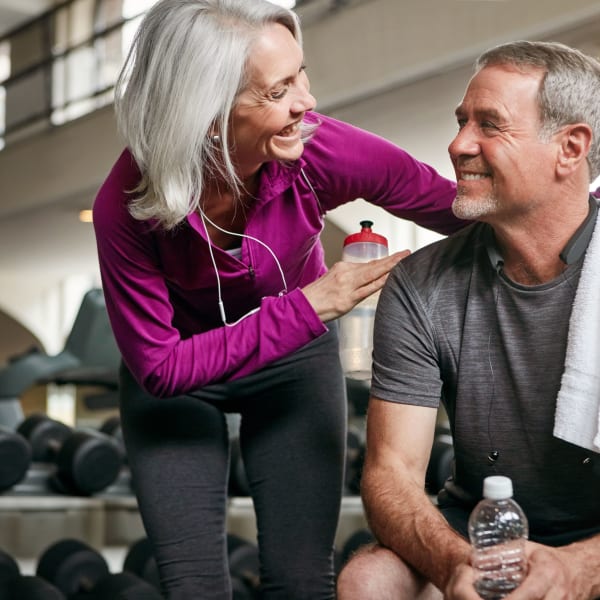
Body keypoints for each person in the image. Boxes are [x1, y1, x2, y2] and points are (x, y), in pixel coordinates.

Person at [92, 0, 464, 598]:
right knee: (192, 587)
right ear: (210, 115)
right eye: (277, 90)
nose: (306, 102)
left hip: (291, 368)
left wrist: (574, 214)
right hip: (182, 373)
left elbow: (449, 206)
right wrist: (315, 304)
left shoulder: (319, 150)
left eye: (301, 75)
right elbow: (160, 369)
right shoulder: (126, 203)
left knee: (299, 581)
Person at [336, 40, 600, 600]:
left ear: (570, 148)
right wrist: (460, 565)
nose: (458, 145)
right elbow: (390, 474)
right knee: (369, 577)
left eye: (490, 125)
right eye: (461, 122)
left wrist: (576, 570)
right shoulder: (422, 283)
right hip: (481, 534)